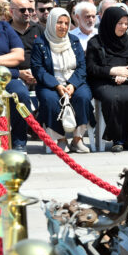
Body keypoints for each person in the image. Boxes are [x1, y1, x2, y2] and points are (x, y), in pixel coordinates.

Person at [31, 8, 94, 153]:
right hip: (50, 83)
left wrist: (72, 85)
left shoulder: (74, 41)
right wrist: (57, 85)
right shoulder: (40, 43)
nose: (63, 26)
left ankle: (77, 139)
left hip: (74, 81)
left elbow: (81, 66)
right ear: (51, 22)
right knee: (50, 100)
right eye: (59, 22)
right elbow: (38, 69)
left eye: (66, 23)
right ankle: (61, 139)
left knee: (83, 97)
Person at [86, 7, 128, 152]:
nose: (123, 27)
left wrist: (127, 71)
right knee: (112, 98)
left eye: (126, 23)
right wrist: (112, 71)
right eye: (120, 23)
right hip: (104, 81)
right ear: (110, 23)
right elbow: (91, 68)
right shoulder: (95, 43)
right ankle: (117, 138)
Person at [0, 17, 33, 151]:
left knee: (21, 94)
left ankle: (18, 142)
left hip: (4, 79)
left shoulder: (3, 26)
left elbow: (19, 55)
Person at [8, 0, 43, 89]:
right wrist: (18, 73)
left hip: (38, 75)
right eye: (22, 10)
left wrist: (38, 72)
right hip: (13, 78)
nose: (27, 13)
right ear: (11, 11)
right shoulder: (3, 31)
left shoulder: (39, 30)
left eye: (30, 10)